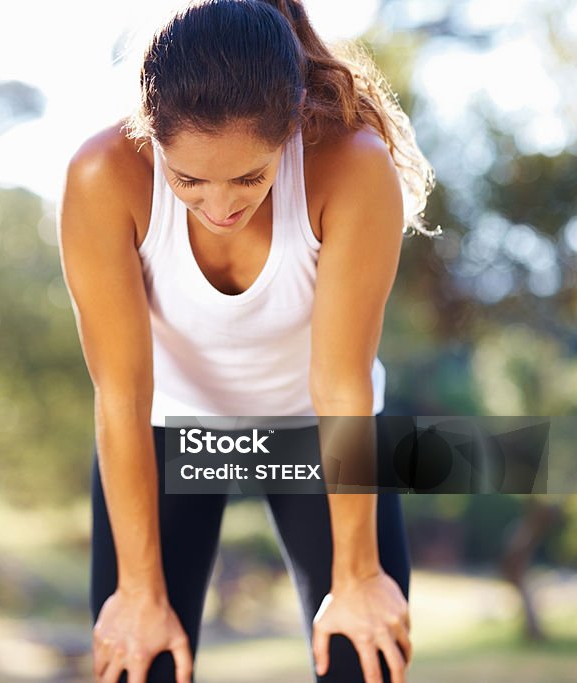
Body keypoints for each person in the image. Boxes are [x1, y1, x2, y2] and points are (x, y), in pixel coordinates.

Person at [57, 1, 438, 682]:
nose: (220, 206)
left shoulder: (351, 166)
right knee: (140, 657)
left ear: (293, 127)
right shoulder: (102, 175)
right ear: (151, 133)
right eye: (189, 180)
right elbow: (120, 393)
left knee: (365, 653)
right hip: (167, 430)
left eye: (250, 178)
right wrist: (139, 591)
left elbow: (341, 382)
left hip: (313, 432)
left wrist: (358, 574)